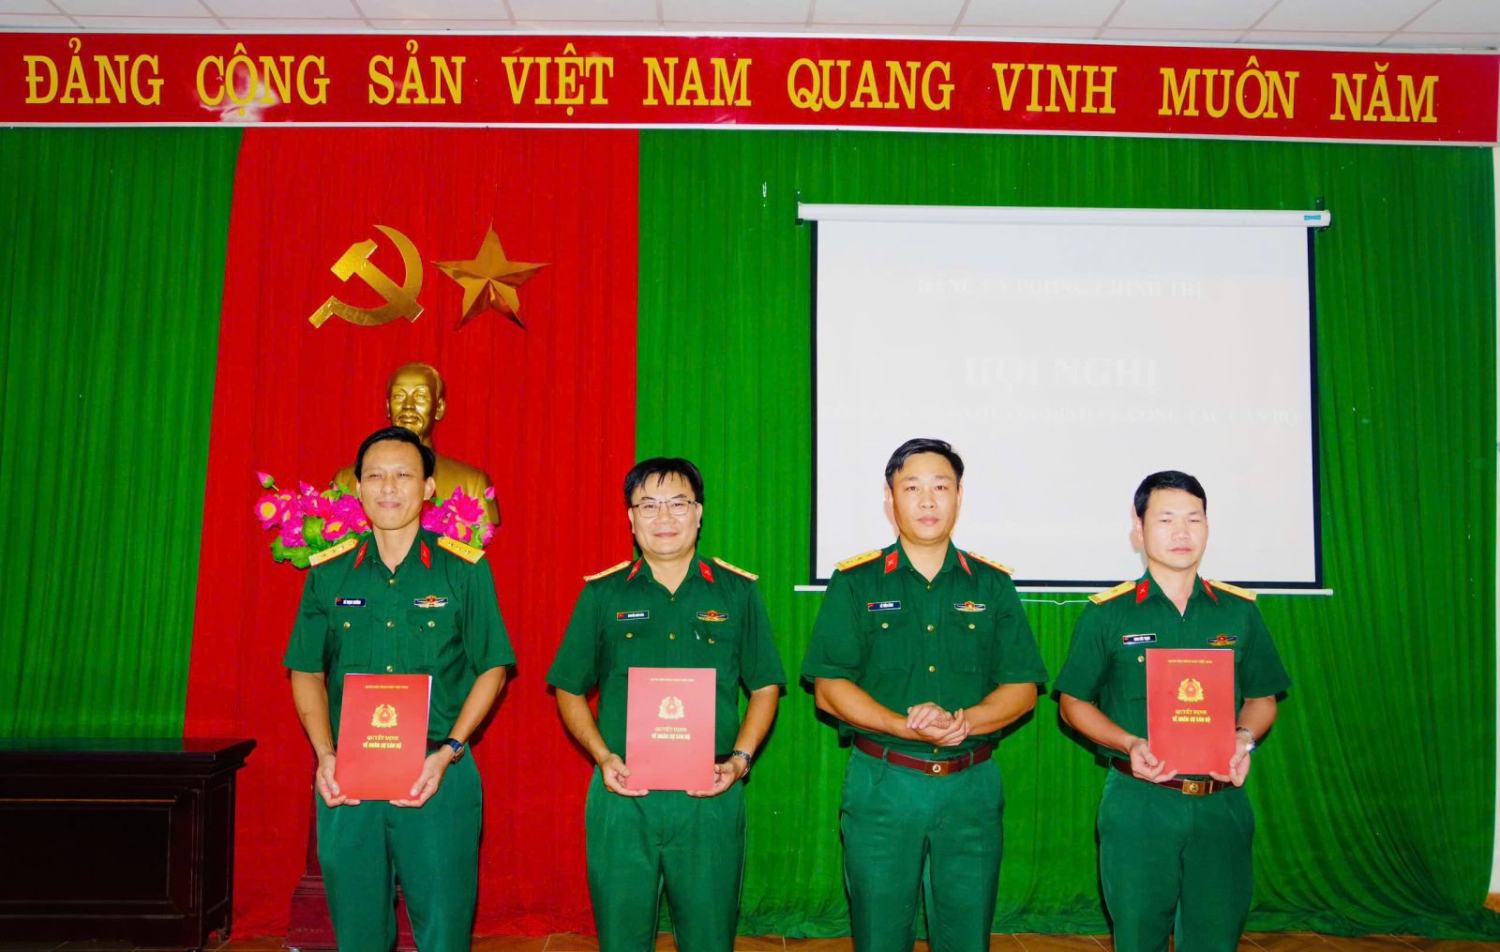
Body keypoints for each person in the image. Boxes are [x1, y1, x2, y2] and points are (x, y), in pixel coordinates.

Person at [801, 438, 1048, 952]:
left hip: (970, 786)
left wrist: (966, 720)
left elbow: (1023, 688)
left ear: (960, 497)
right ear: (890, 500)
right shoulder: (855, 582)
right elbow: (829, 689)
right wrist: (899, 725)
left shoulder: (992, 584)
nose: (928, 500)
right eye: (912, 488)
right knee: (880, 934)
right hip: (884, 784)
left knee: (966, 936)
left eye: (942, 487)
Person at [285, 425, 514, 952]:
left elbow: (493, 667)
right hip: (349, 778)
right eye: (376, 476)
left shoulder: (464, 569)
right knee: (359, 933)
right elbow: (306, 670)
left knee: (444, 931)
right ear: (358, 489)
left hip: (439, 774)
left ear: (429, 488)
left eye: (404, 475)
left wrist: (451, 749)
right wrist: (324, 754)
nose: (389, 487)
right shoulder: (329, 573)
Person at [547, 457, 785, 951]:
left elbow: (765, 687)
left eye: (678, 504)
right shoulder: (602, 594)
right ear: (630, 518)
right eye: (648, 505)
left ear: (699, 514)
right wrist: (601, 756)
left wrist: (739, 761)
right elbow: (568, 687)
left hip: (710, 797)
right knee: (622, 938)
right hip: (624, 794)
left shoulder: (737, 592)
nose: (664, 517)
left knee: (709, 937)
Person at [1054, 470, 1291, 952]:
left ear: (1208, 527)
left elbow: (1263, 696)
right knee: (1138, 936)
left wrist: (1244, 738)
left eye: (1193, 519)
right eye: (1165, 519)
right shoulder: (1108, 614)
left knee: (1216, 937)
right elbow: (1073, 703)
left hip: (1221, 800)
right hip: (1141, 800)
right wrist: (1128, 743)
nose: (1182, 532)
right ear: (1138, 532)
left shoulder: (1238, 611)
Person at [333, 361, 498, 525]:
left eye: (420, 397)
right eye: (399, 396)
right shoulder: (347, 481)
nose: (408, 407)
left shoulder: (472, 484)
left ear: (439, 408)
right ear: (388, 407)